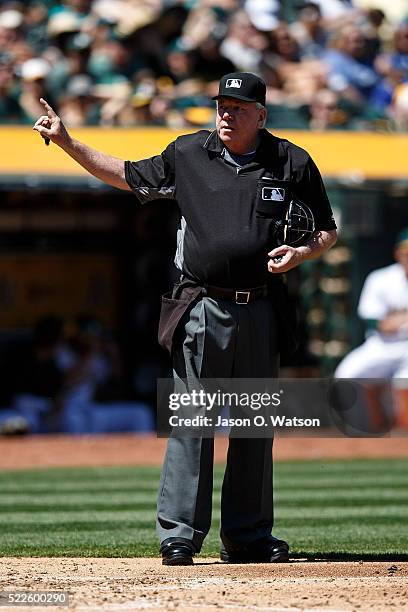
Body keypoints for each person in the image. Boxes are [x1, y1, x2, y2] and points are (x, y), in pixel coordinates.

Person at [33, 71, 337, 565]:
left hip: (261, 306)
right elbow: (126, 174)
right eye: (221, 104)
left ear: (261, 115)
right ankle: (179, 533)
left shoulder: (291, 161)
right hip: (202, 303)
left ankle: (248, 535)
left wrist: (302, 254)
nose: (226, 113)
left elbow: (326, 231)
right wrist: (68, 142)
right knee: (192, 420)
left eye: (238, 107)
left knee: (254, 423)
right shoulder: (189, 153)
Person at [335, 229, 408, 428]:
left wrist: (396, 320)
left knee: (404, 381)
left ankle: (401, 437)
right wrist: (393, 321)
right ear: (398, 253)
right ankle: (370, 433)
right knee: (346, 373)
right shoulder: (381, 278)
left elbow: (389, 322)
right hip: (382, 345)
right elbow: (376, 323)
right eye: (406, 251)